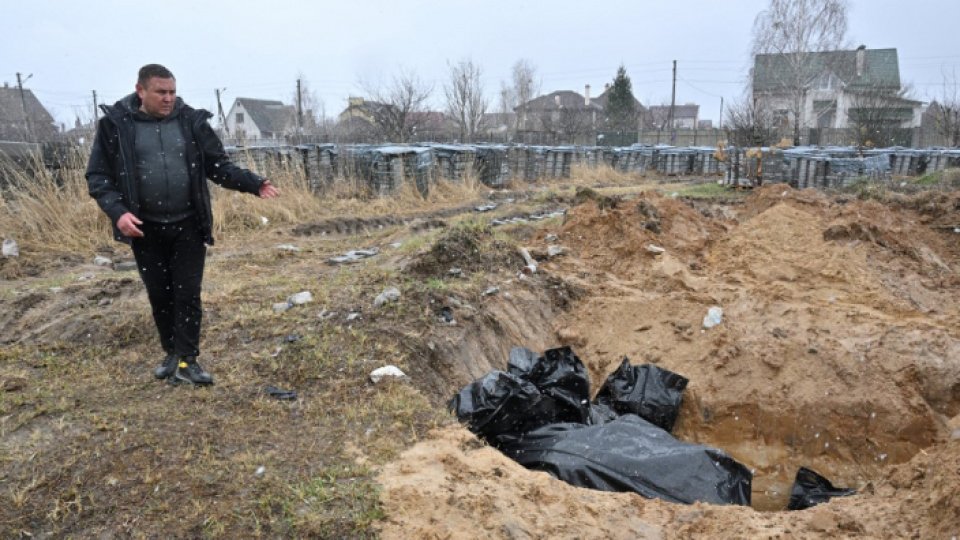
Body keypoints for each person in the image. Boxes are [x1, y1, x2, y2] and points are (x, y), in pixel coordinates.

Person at [86, 64, 280, 386]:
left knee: (187, 293)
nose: (168, 98)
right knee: (160, 295)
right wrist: (118, 212)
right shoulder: (116, 125)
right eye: (161, 92)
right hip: (143, 227)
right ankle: (171, 353)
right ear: (140, 91)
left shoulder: (191, 122)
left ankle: (189, 361)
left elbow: (218, 165)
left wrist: (253, 184)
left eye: (172, 92)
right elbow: (98, 176)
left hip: (188, 224)